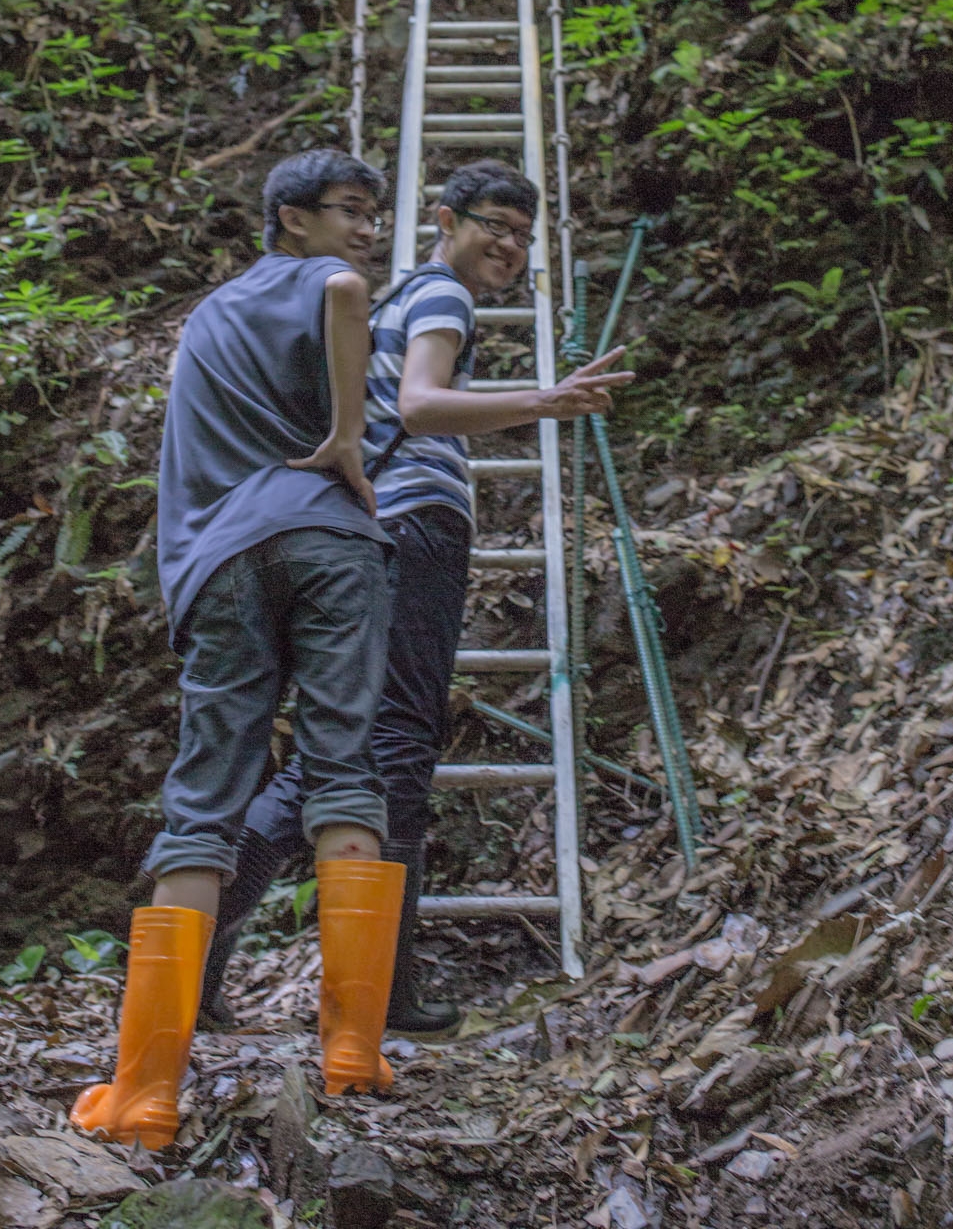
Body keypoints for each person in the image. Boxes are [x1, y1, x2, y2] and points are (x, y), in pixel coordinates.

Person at [198, 159, 633, 1033]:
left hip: (360, 536)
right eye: (492, 227)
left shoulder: (391, 301)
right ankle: (379, 999)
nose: (507, 247)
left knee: (347, 754)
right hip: (415, 527)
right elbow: (424, 405)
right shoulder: (440, 299)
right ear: (444, 219)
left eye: (521, 234)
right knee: (397, 746)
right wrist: (548, 402)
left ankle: (208, 947)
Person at [71, 150, 405, 1148]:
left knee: (204, 795)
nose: (366, 231)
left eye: (373, 215)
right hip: (329, 536)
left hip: (220, 559)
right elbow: (347, 291)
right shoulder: (321, 277)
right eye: (350, 211)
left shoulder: (207, 318)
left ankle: (145, 1088)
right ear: (289, 220)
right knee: (344, 766)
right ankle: (352, 1050)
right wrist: (348, 435)